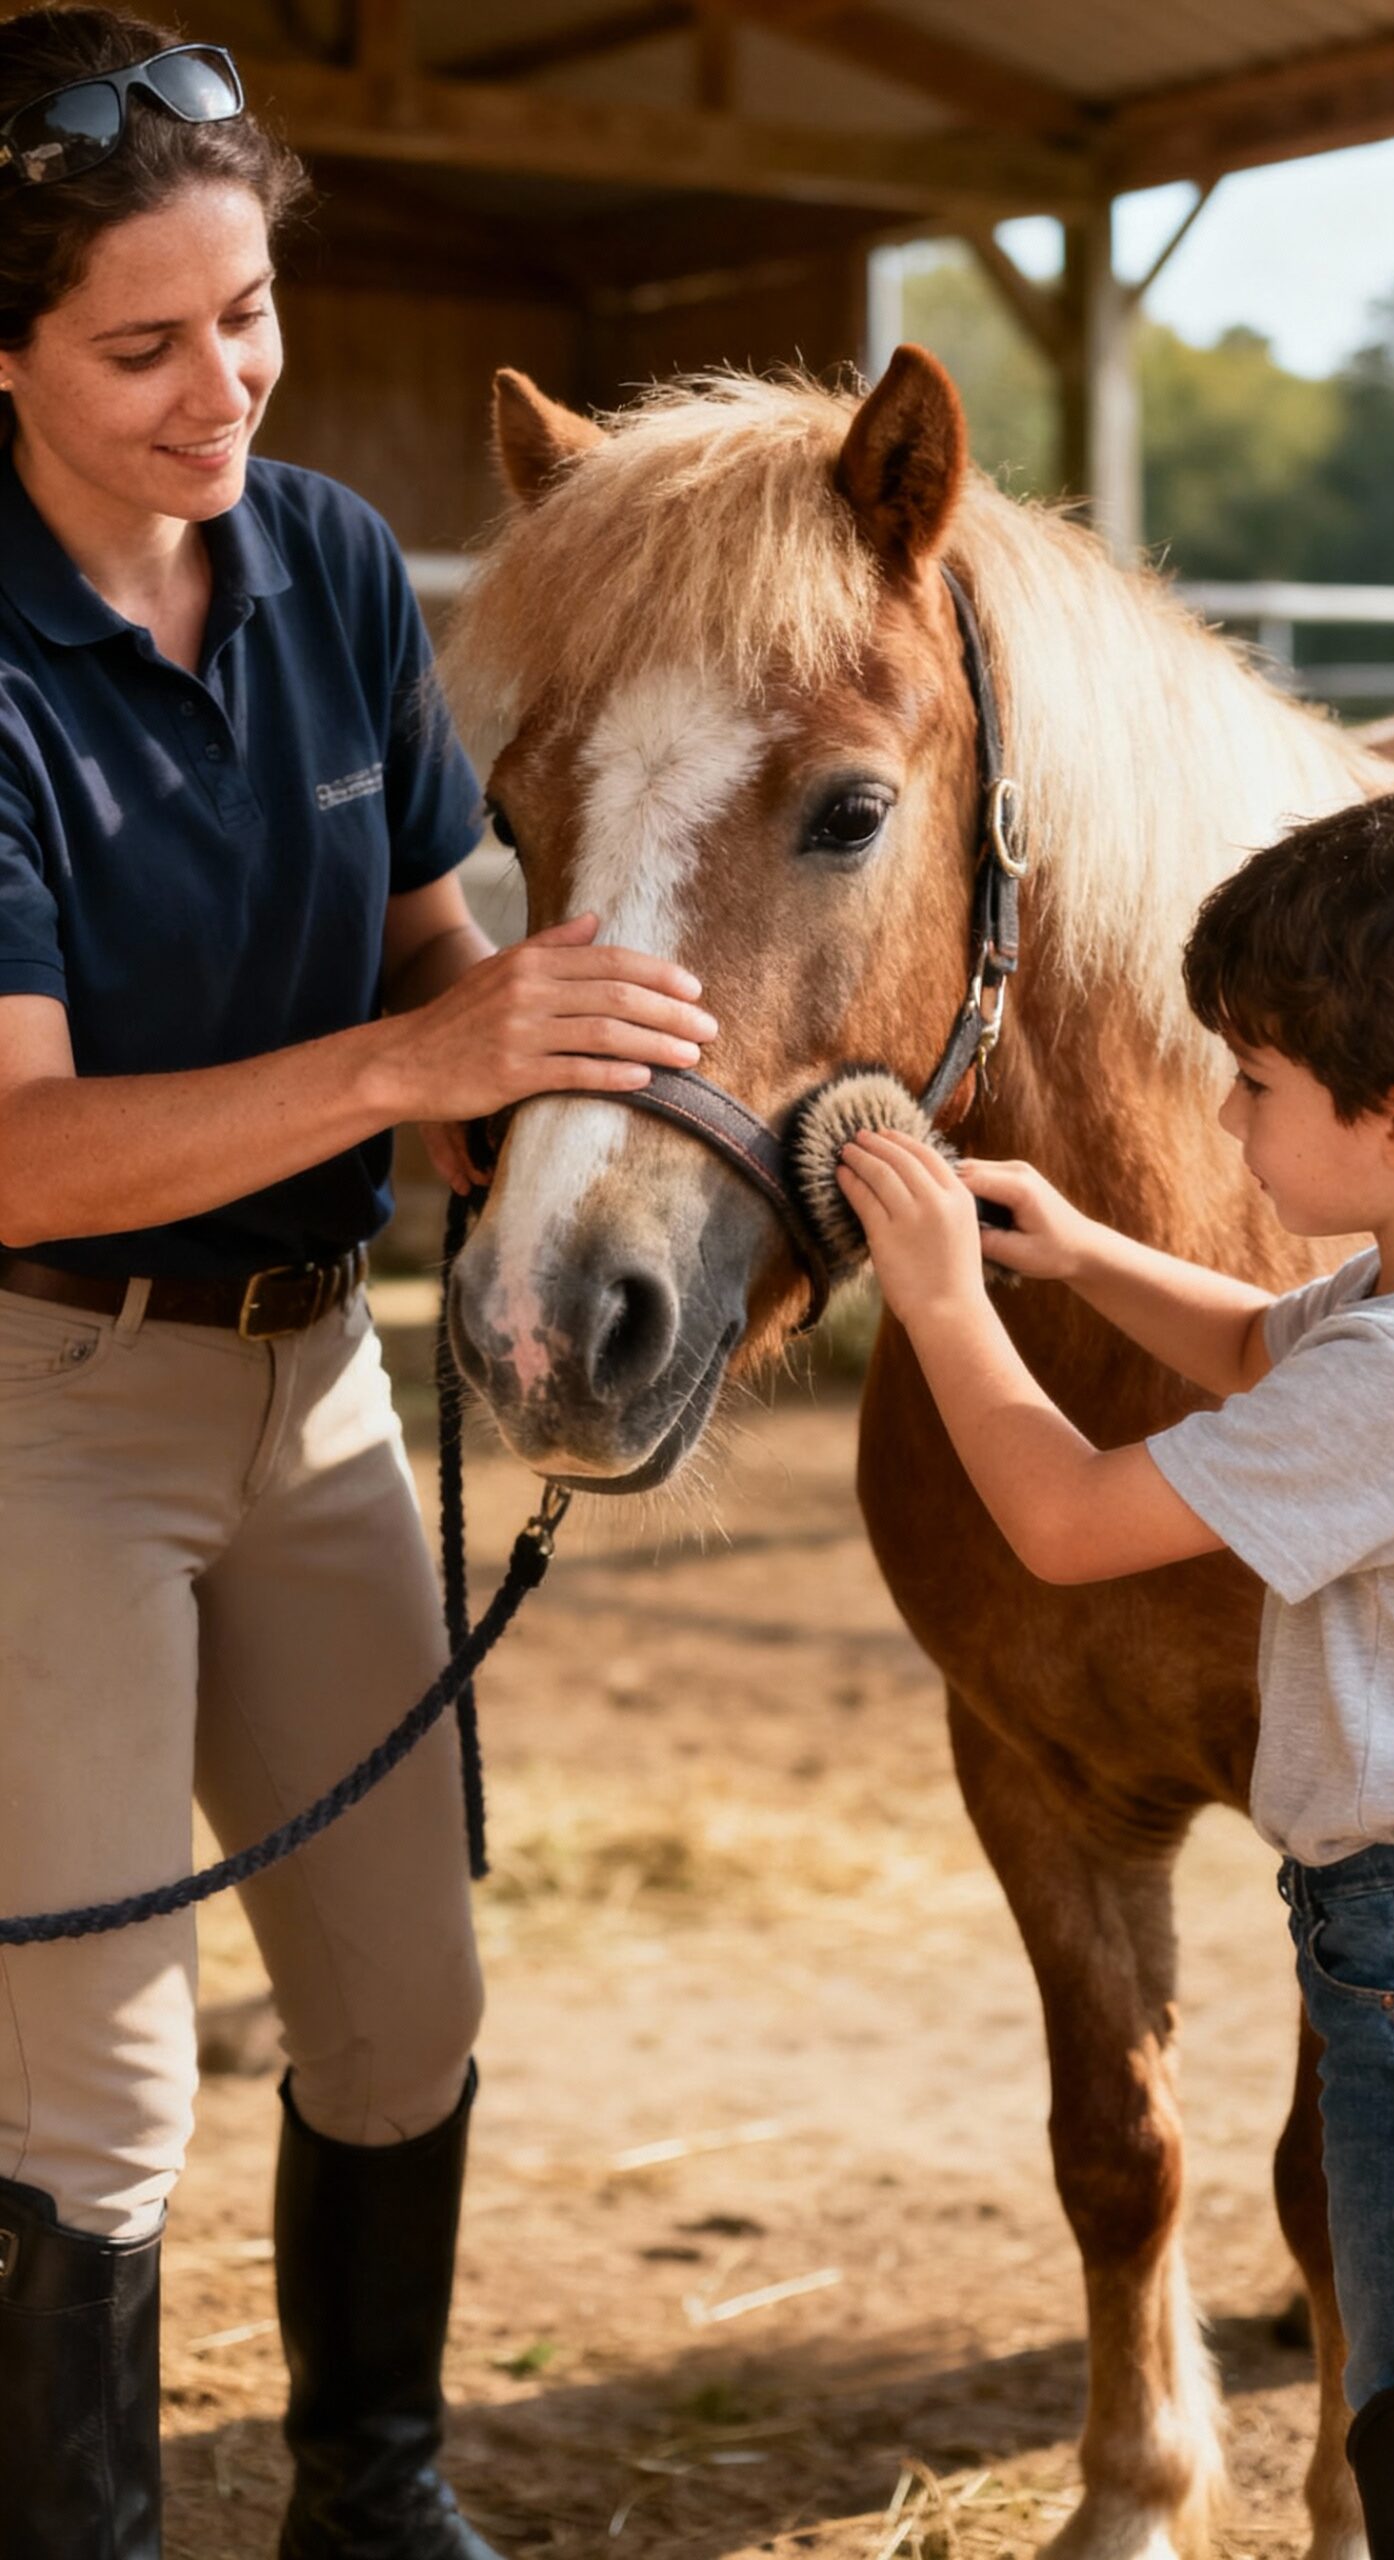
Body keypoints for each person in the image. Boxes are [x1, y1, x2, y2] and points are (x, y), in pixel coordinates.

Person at [0, 11, 718, 2557]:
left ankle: (373, 2498)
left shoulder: (313, 553)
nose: (224, 388)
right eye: (144, 345)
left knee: (407, 2002)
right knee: (91, 2080)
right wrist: (417, 1057)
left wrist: (542, 1090)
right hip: (47, 1401)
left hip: (309, 1375)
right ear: (2, 357)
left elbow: (429, 941)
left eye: (251, 314)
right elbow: (17, 1141)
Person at [838, 786, 1394, 2560]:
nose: (1223, 1114)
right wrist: (1080, 1246)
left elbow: (1062, 1521)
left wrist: (944, 1301)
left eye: (1254, 1082)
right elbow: (1256, 1345)